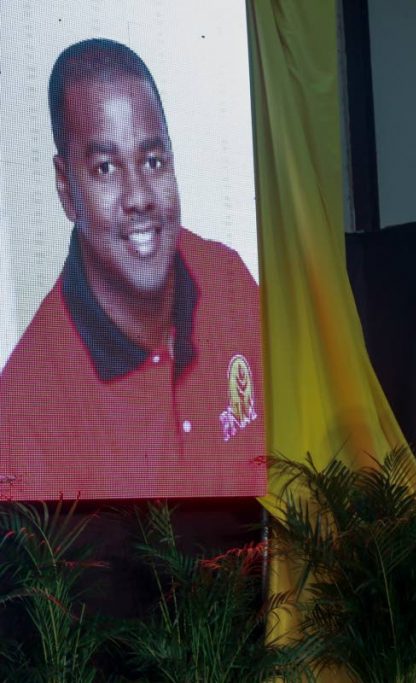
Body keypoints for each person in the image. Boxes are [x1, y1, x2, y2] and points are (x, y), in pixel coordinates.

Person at [0, 38, 265, 501]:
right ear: (66, 189)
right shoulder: (25, 406)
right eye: (106, 168)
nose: (139, 196)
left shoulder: (227, 278)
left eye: (152, 160)